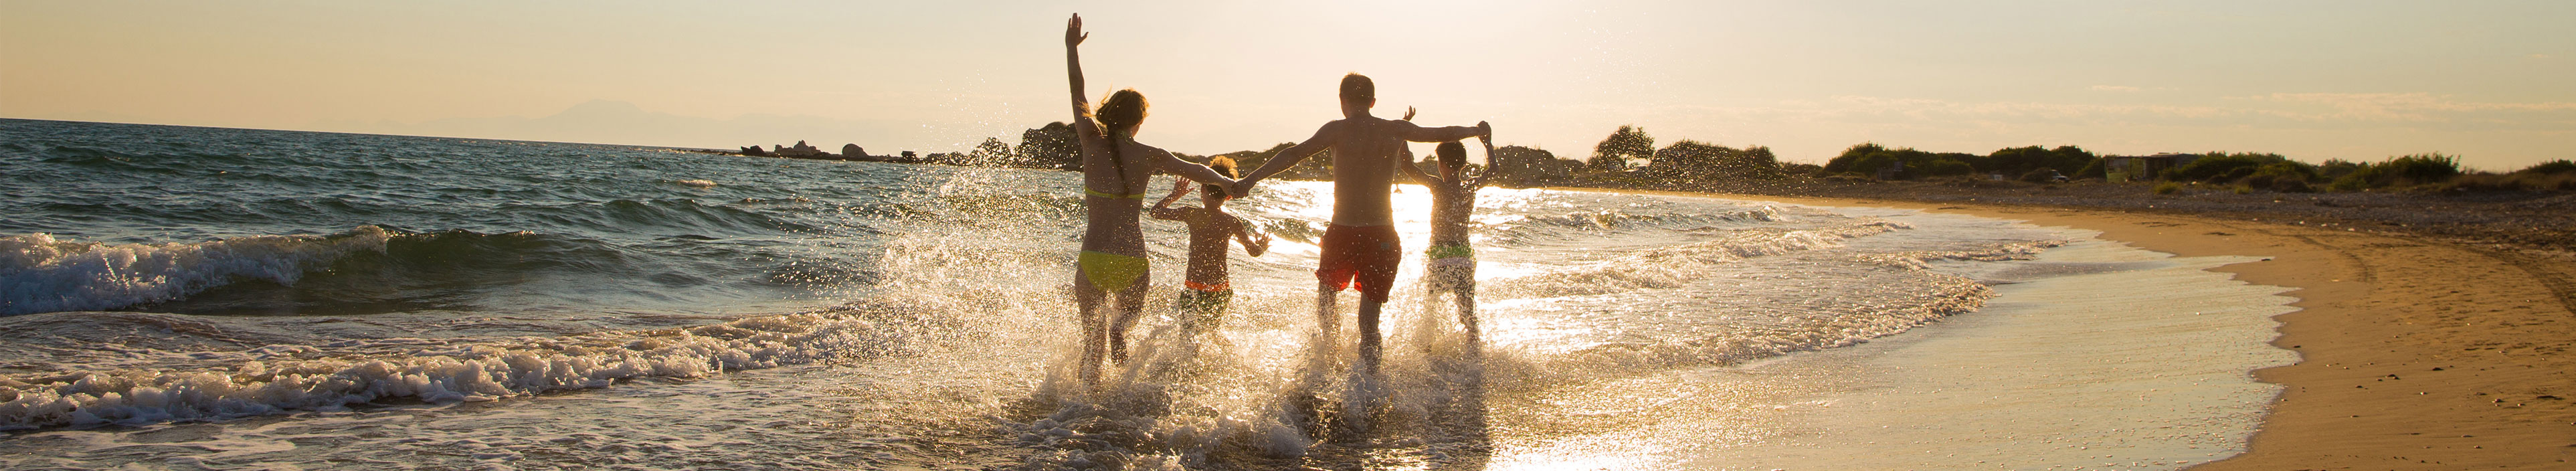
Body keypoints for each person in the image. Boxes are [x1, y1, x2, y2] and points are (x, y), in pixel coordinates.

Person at [1231, 73, 1489, 375]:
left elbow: (1293, 154)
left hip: (1343, 231)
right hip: (1382, 234)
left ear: (1342, 101)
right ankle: (1369, 386)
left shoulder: (1337, 130)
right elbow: (1440, 132)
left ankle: (1331, 364)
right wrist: (1476, 130)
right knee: (1369, 324)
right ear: (1373, 102)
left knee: (1327, 297)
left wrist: (1248, 180)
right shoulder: (1394, 130)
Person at [1063, 13, 1240, 385]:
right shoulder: (1150, 154)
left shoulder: (1091, 141)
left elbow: (1078, 92)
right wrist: (1232, 184)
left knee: (1090, 345)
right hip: (1132, 257)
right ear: (1139, 121)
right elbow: (1197, 170)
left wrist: (1070, 50)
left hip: (1093, 256)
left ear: (1110, 114)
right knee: (1121, 327)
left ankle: (1077, 416)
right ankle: (1120, 338)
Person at [1148, 157, 1273, 333]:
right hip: (1220, 289)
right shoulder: (1232, 222)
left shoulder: (1191, 214)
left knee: (1188, 335)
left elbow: (1155, 212)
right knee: (1211, 332)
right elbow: (1254, 252)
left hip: (1193, 287)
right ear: (1228, 196)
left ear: (1202, 189)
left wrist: (1175, 195)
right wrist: (1262, 246)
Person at [1410, 138, 1491, 341]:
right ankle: (1474, 356)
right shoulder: (1470, 186)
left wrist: (1403, 132)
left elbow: (1406, 165)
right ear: (1463, 164)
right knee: (1468, 313)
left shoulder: (1437, 186)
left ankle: (1427, 353)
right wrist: (1488, 143)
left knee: (1431, 310)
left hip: (1439, 257)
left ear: (1442, 164)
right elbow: (1494, 171)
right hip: (1463, 257)